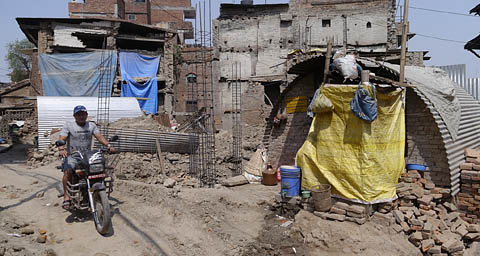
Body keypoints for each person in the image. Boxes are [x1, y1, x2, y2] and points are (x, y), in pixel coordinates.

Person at [57, 105, 115, 210]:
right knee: (68, 171)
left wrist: (109, 145)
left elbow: (99, 136)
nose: (81, 116)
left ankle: (97, 191)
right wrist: (61, 148)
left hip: (88, 155)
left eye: (83, 114)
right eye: (78, 114)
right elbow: (62, 138)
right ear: (74, 116)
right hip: (74, 155)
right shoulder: (69, 125)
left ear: (86, 115)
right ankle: (66, 197)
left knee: (101, 168)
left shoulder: (91, 125)